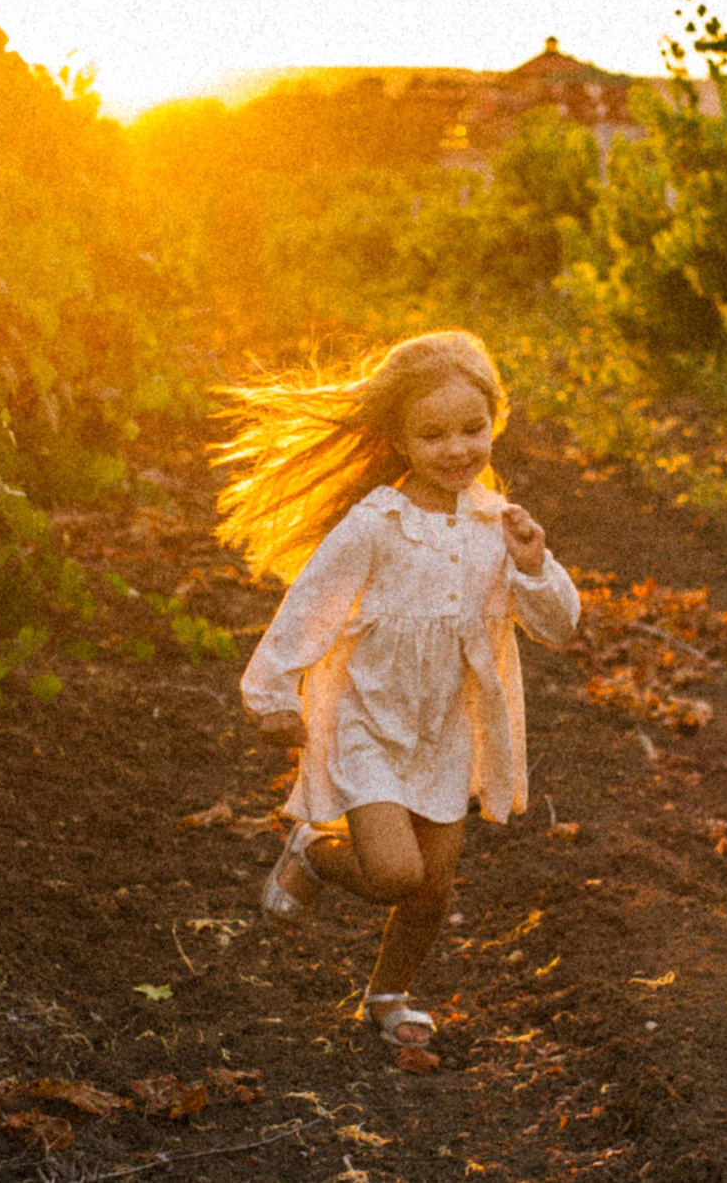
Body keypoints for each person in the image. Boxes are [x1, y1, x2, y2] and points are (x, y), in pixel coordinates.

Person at [218, 330, 579, 1051]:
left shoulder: (497, 525)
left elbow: (559, 627)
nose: (457, 449)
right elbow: (310, 605)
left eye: (473, 429)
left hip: (447, 729)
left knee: (432, 887)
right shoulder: (375, 523)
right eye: (434, 433)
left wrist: (535, 565)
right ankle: (315, 849)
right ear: (401, 437)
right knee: (392, 872)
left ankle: (387, 994)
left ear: (494, 422)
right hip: (367, 722)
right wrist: (271, 693)